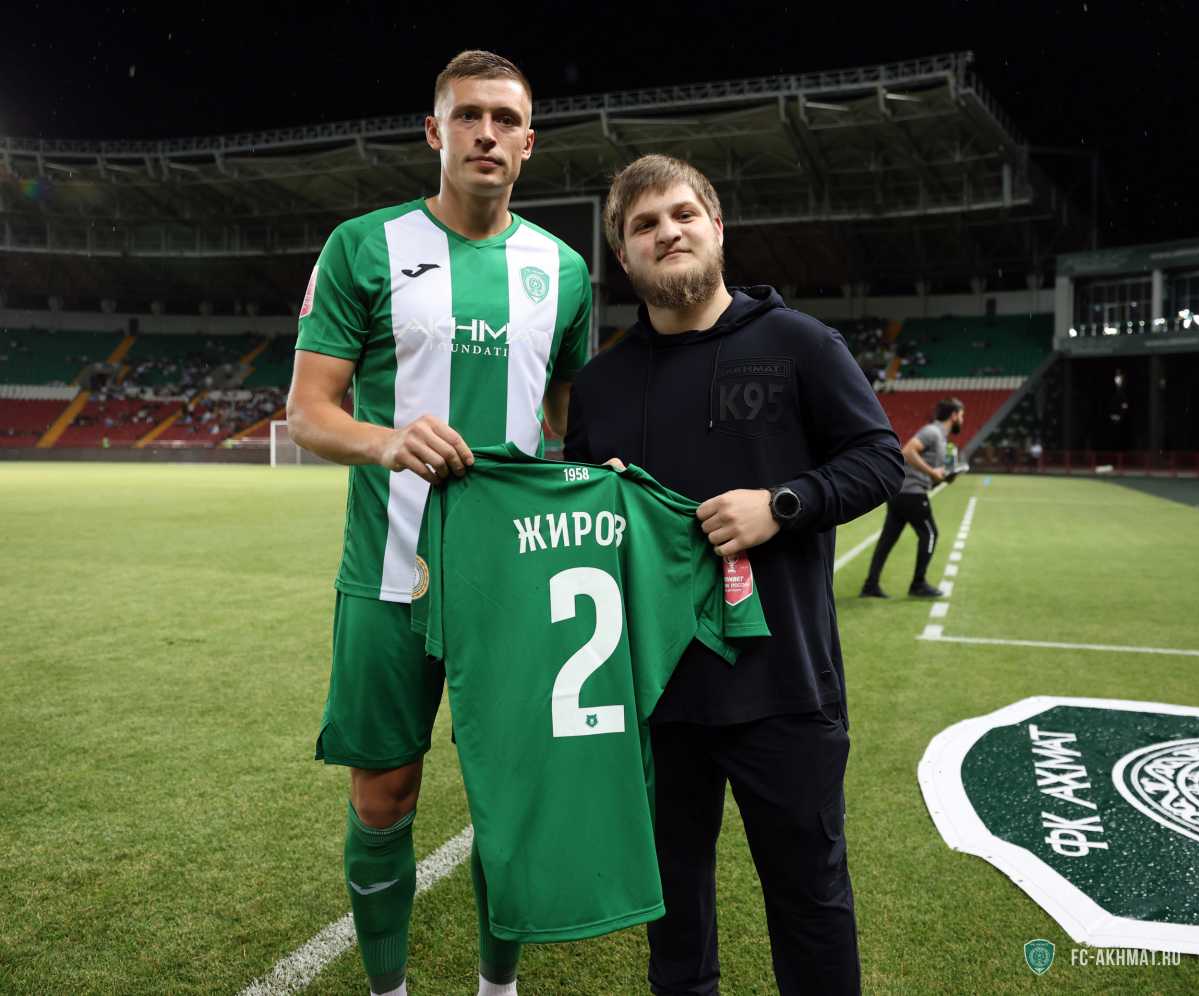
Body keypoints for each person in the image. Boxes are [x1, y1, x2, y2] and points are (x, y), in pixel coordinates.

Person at [286, 51, 592, 996]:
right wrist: (387, 442)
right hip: (388, 573)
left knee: (509, 798)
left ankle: (499, 988)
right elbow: (308, 412)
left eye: (506, 119)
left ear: (530, 143)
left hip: (514, 584)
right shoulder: (362, 246)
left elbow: (569, 423)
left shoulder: (565, 269)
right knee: (384, 794)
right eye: (468, 116)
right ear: (435, 132)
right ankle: (390, 989)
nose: (487, 133)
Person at [563, 154, 903, 996]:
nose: (667, 232)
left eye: (683, 214)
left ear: (717, 228)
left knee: (810, 904)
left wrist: (781, 504)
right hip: (656, 699)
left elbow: (879, 460)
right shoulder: (600, 385)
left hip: (784, 690)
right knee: (674, 923)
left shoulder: (799, 343)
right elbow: (580, 533)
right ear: (624, 255)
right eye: (644, 225)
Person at [860, 397, 965, 599]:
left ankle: (870, 585)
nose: (963, 419)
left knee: (887, 539)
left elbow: (928, 473)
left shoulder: (940, 437)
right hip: (911, 493)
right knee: (930, 533)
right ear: (953, 416)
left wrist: (943, 477)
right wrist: (932, 473)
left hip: (902, 493)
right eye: (961, 415)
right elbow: (908, 451)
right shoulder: (932, 432)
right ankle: (918, 584)